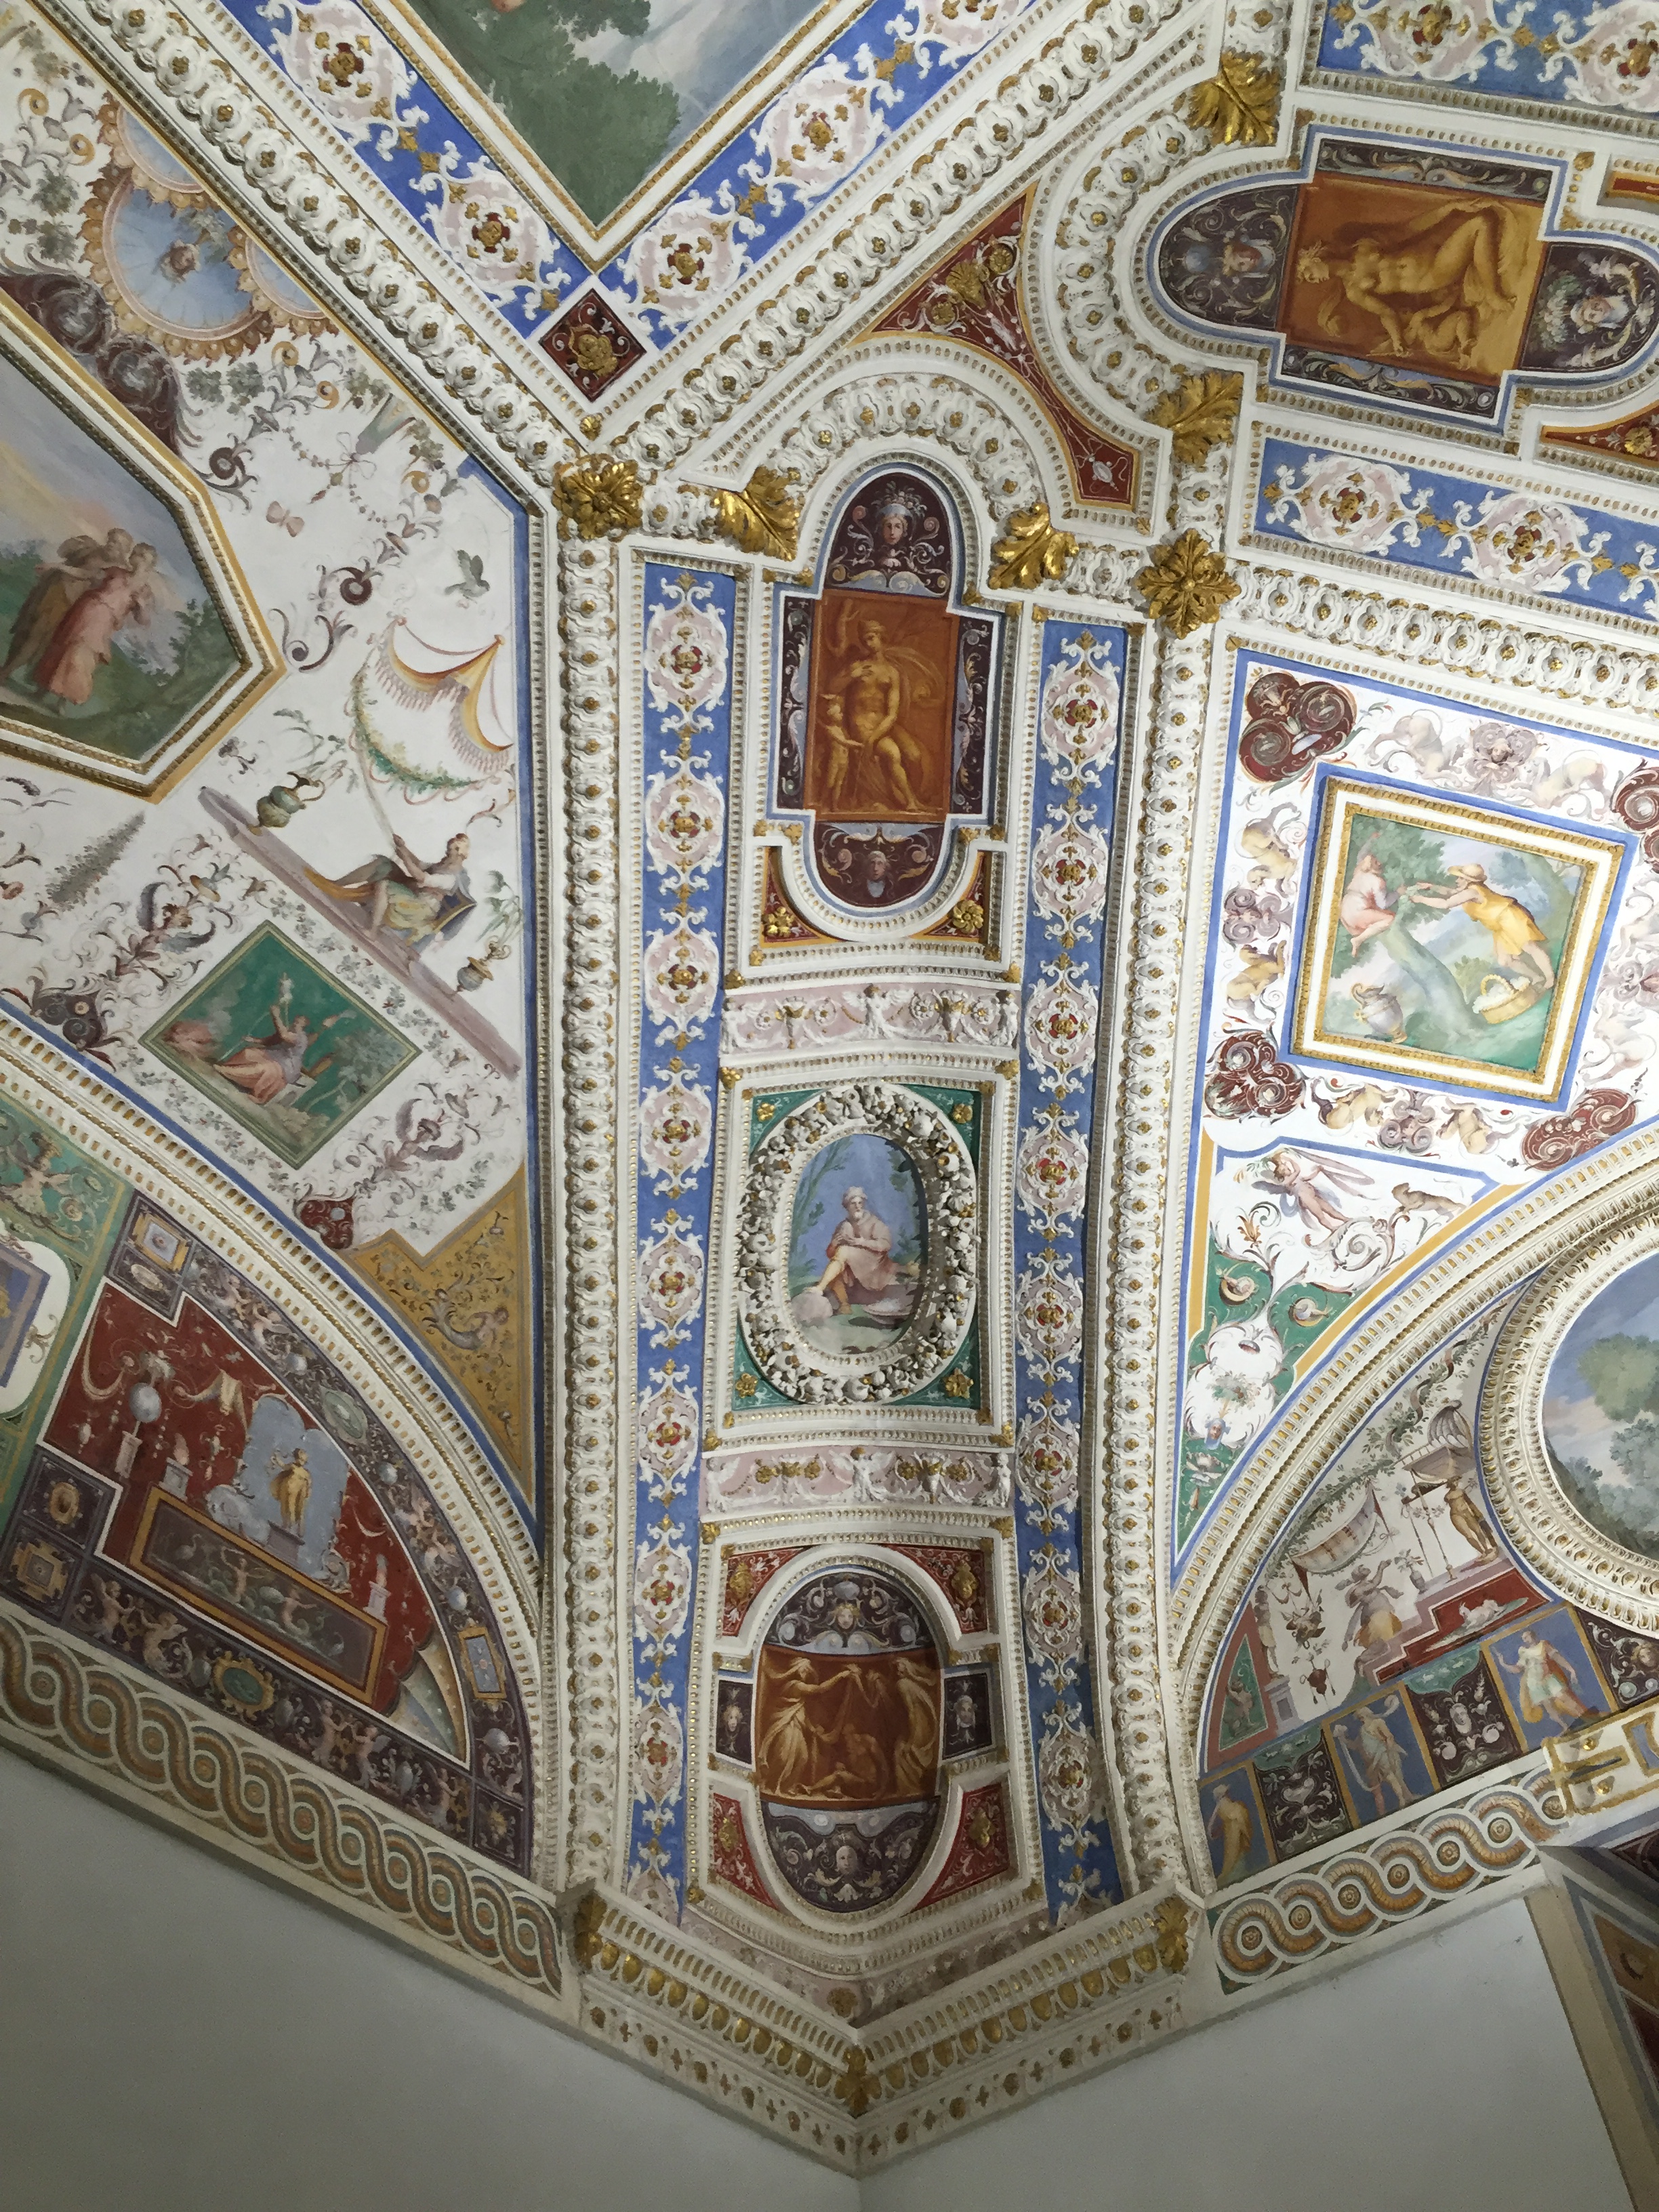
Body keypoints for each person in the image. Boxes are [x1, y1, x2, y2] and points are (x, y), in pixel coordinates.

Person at [29, 542, 157, 708]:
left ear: (150, 565)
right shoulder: (116, 572)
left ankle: (63, 702)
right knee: (62, 646)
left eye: (142, 556)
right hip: (85, 611)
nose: (136, 557)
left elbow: (144, 621)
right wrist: (56, 566)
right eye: (136, 553)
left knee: (83, 658)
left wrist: (142, 606)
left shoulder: (144, 591)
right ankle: (42, 691)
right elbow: (85, 574)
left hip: (103, 625)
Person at [1, 529, 133, 686]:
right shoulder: (92, 549)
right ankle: (7, 669)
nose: (112, 545)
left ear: (123, 551)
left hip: (72, 605)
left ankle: (7, 672)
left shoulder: (118, 571)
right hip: (55, 590)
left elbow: (84, 574)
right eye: (111, 540)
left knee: (40, 637)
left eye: (117, 544)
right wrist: (77, 546)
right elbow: (64, 552)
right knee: (26, 629)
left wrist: (57, 567)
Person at [1405, 862, 1555, 986]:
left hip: (1509, 917)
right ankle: (1536, 977)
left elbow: (1446, 903)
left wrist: (1421, 900)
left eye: (1460, 878)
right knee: (1505, 960)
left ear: (1468, 880)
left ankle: (1550, 977)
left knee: (1530, 947)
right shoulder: (1470, 889)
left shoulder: (1472, 892)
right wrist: (1431, 887)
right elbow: (1450, 892)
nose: (1457, 881)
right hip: (1500, 925)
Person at [313, 831, 472, 948]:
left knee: (385, 885)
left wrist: (405, 858)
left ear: (459, 853)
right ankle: (336, 884)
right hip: (414, 892)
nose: (446, 854)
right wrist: (403, 847)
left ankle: (373, 931)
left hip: (420, 908)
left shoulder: (451, 877)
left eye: (450, 851)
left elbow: (421, 877)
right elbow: (419, 864)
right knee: (383, 864)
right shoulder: (445, 865)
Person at [812, 1186, 912, 1317]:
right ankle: (845, 1306)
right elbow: (832, 1256)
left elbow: (886, 1244)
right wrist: (833, 1245)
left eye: (860, 1203)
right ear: (847, 1207)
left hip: (873, 1263)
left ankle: (820, 1287)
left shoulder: (873, 1222)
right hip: (851, 1267)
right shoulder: (843, 1226)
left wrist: (862, 1242)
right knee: (835, 1269)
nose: (858, 1207)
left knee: (843, 1251)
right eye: (853, 1204)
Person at [1498, 1626, 1591, 1732]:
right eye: (1523, 1638)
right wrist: (1504, 1664)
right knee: (1549, 1707)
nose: (1525, 1640)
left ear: (1532, 1635)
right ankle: (1565, 1727)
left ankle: (1584, 1717)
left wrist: (1571, 1670)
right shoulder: (1524, 1652)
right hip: (1534, 1684)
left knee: (1564, 1697)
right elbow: (1518, 1669)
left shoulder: (1543, 1645)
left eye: (1526, 1637)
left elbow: (1557, 1658)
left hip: (1548, 1679)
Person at [1336, 1698, 1414, 1816]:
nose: (1361, 1719)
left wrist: (1389, 1750)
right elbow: (1356, 1745)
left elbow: (1389, 1737)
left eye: (1362, 1716)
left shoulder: (1378, 1722)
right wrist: (1343, 1739)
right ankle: (1402, 1799)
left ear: (1367, 1713)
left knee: (1392, 1777)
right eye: (1359, 1717)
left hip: (1383, 1754)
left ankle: (1402, 1799)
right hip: (1373, 1762)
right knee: (1389, 1779)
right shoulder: (1362, 1730)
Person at [1206, 1780, 1255, 1883]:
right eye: (1227, 1792)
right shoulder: (1225, 1805)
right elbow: (1234, 1814)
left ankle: (1235, 1874)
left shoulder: (1222, 1806)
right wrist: (1240, 1807)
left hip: (1234, 1832)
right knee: (1234, 1856)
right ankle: (1231, 1876)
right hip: (1233, 1834)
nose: (1229, 1794)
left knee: (1236, 1855)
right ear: (1224, 1794)